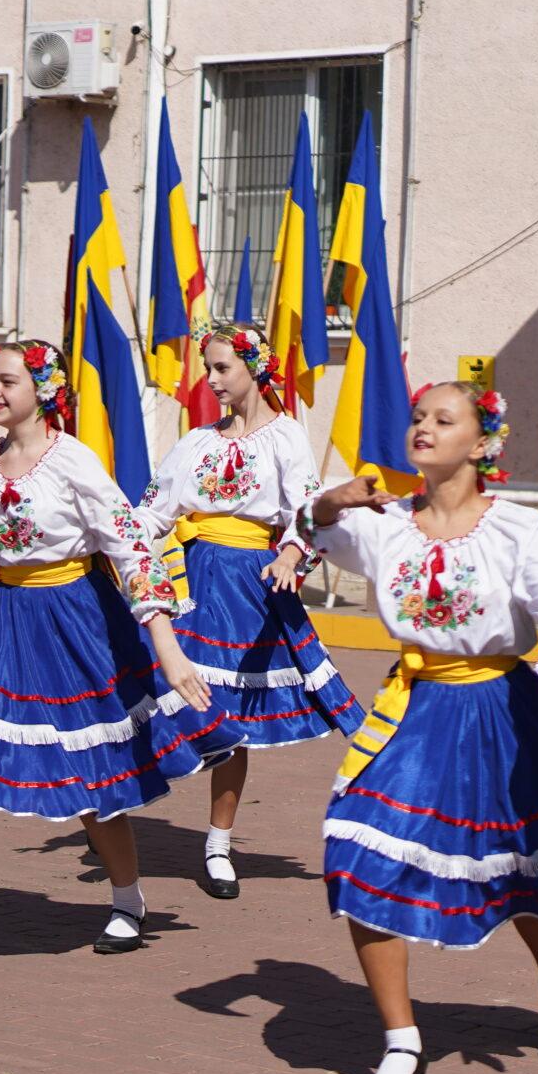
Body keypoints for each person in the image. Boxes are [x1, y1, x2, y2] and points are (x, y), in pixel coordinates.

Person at [302, 383, 538, 1074]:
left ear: (481, 442)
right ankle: (402, 1040)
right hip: (415, 710)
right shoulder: (385, 521)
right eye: (419, 417)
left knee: (519, 865)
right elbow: (307, 528)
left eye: (444, 419)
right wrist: (331, 502)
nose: (424, 428)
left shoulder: (516, 528)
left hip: (501, 708)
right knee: (357, 851)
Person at [0, 340, 236, 971]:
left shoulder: (75, 462)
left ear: (42, 389)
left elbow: (133, 549)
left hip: (75, 623)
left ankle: (128, 900)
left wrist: (166, 646)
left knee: (88, 775)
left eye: (7, 381)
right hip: (2, 628)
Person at [127, 322, 364, 899]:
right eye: (208, 367)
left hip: (248, 589)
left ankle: (217, 842)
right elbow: (151, 515)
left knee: (232, 722)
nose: (210, 379)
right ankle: (115, 798)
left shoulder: (285, 438)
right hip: (191, 578)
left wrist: (288, 554)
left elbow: (307, 512)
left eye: (221, 367)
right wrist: (110, 544)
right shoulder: (195, 442)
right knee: (145, 690)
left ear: (254, 368)